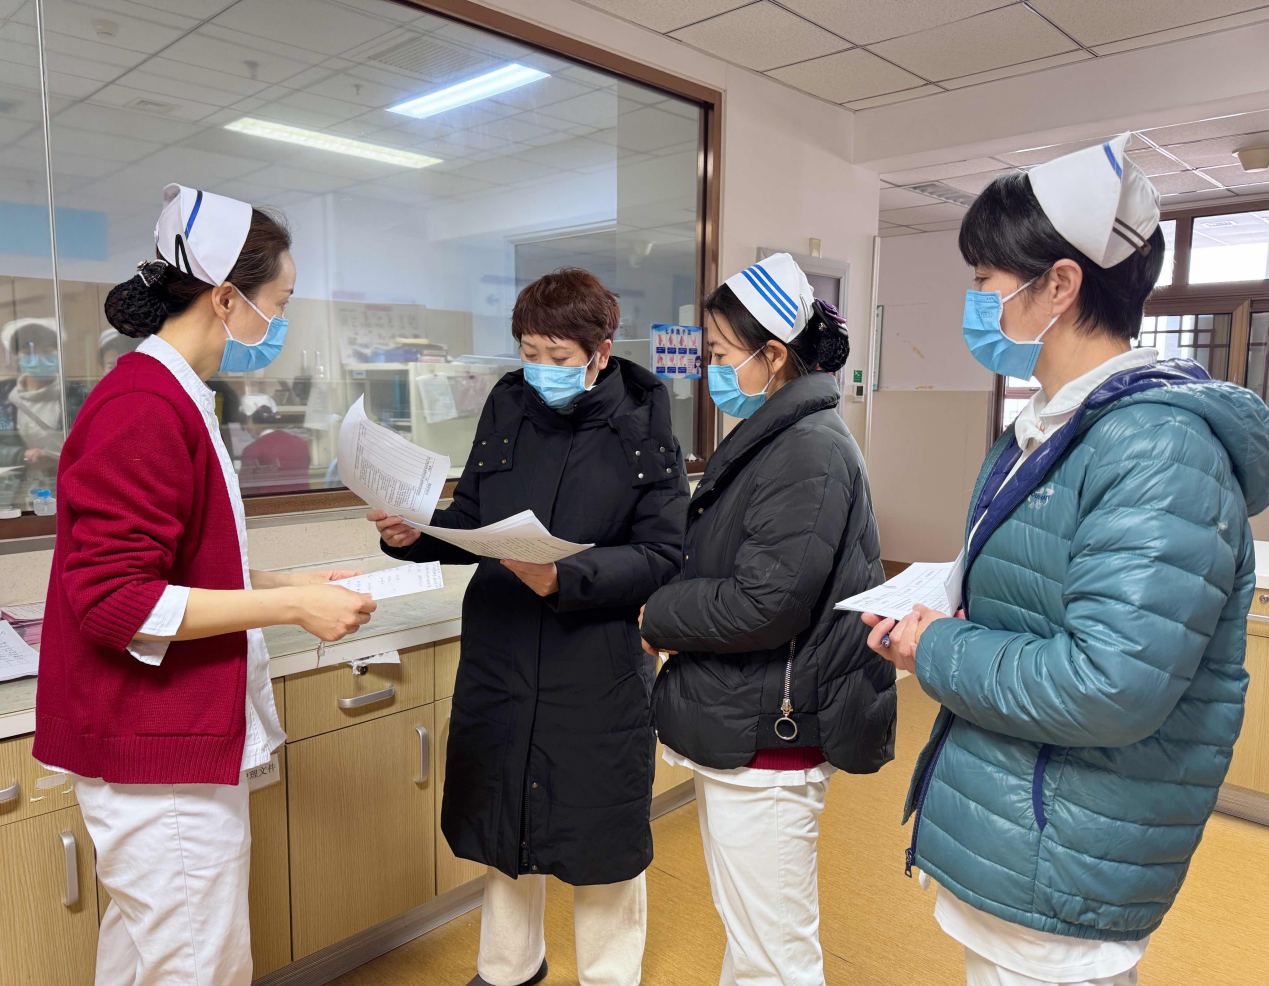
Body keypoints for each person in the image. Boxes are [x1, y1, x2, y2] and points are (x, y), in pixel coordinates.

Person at [865, 135, 1269, 986]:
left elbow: (1107, 685)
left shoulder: (1156, 449)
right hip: (1023, 820)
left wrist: (935, 646)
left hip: (1065, 846)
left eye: (985, 280)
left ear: (1057, 284)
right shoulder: (1052, 426)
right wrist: (945, 616)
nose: (977, 303)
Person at [33, 183, 377, 986]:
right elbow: (114, 599)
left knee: (147, 959)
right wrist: (291, 605)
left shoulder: (176, 395)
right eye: (277, 304)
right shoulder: (143, 405)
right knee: (197, 967)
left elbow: (178, 562)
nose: (278, 323)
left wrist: (290, 581)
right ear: (226, 298)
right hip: (157, 760)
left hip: (162, 748)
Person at [369, 267, 689, 986]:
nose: (541, 368)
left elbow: (664, 554)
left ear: (600, 351)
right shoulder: (508, 404)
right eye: (529, 352)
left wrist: (567, 577)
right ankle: (509, 968)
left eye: (558, 356)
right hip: (504, 648)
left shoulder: (643, 424)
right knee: (504, 814)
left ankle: (609, 976)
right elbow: (473, 520)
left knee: (599, 831)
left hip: (594, 659)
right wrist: (415, 533)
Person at [640, 252, 894, 986]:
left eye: (722, 355)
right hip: (748, 714)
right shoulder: (778, 435)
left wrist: (656, 613)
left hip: (770, 728)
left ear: (773, 355)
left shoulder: (807, 449)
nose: (711, 370)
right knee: (754, 939)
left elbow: (766, 602)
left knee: (775, 957)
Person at [0, 318, 87, 508]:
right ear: (16, 357)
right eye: (28, 352)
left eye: (47, 351)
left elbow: (92, 443)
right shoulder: (3, 394)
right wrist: (22, 455)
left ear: (58, 354)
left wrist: (56, 458)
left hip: (69, 491)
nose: (38, 358)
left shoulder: (77, 393)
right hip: (12, 496)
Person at [239, 394, 311, 494]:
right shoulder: (300, 442)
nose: (245, 427)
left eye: (245, 421)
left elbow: (246, 491)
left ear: (252, 420)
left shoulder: (252, 450)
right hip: (303, 502)